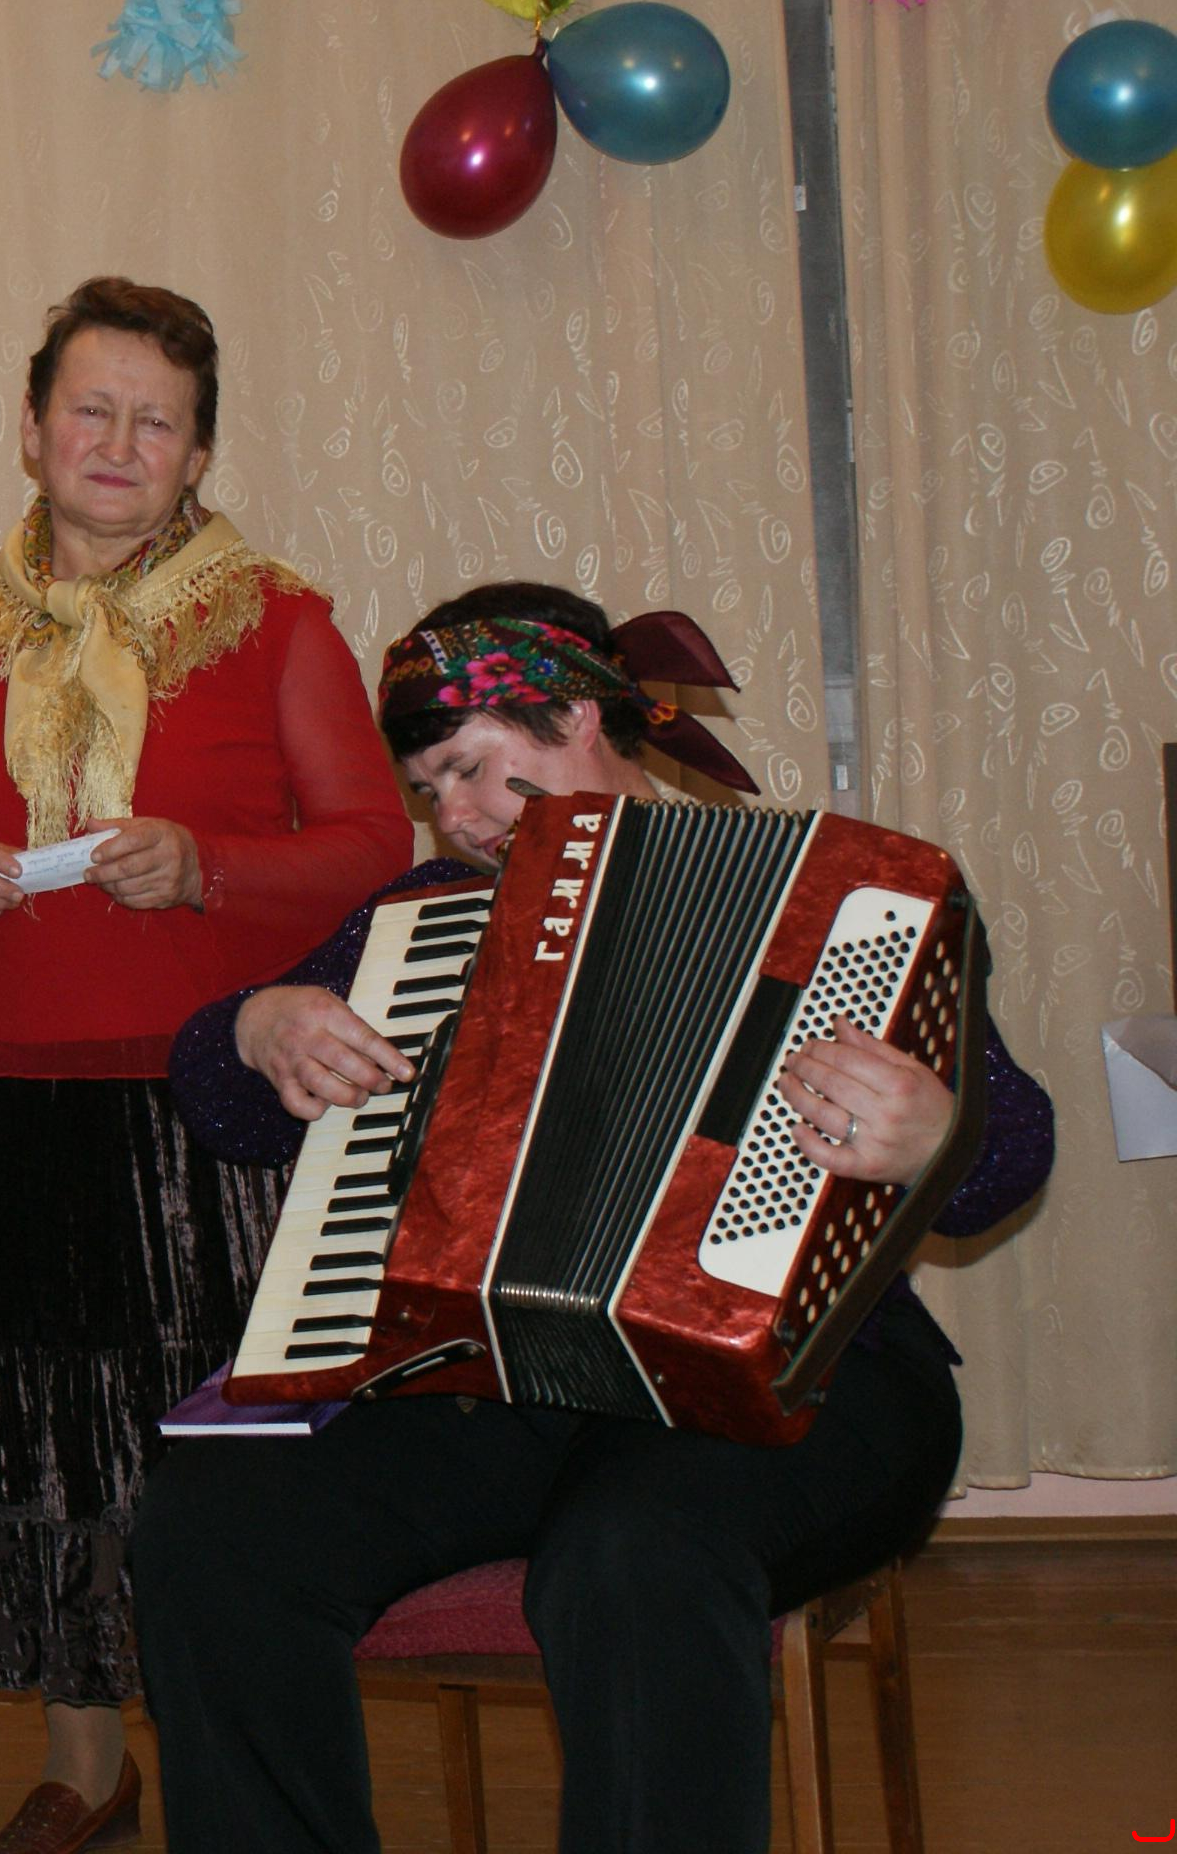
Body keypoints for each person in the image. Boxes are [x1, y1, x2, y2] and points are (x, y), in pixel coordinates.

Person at [132, 581, 1057, 1853]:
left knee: (632, 1553)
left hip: (806, 1380)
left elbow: (1012, 1153)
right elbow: (218, 1099)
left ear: (574, 713)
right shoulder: (422, 920)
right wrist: (255, 1025)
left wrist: (936, 1134)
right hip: (499, 1384)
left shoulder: (835, 894)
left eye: (469, 768)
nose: (454, 818)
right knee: (210, 1526)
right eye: (428, 790)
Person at [0, 276, 412, 1854]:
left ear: (199, 454)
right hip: (8, 1096)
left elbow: (374, 847)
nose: (117, 442)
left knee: (207, 1445)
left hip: (211, 1107)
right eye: (89, 410)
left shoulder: (280, 621)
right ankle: (85, 1765)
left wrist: (212, 868)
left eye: (156, 422)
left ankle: (242, 1757)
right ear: (31, 430)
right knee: (48, 1436)